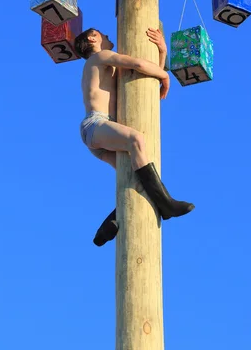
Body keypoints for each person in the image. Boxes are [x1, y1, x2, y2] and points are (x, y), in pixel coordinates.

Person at [74, 27, 195, 247]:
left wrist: (162, 51)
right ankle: (166, 203)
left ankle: (109, 224)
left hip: (100, 132)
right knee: (136, 140)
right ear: (93, 38)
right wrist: (165, 75)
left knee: (133, 177)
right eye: (103, 34)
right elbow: (138, 65)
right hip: (96, 125)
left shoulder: (104, 67)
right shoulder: (99, 57)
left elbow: (144, 83)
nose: (110, 36)